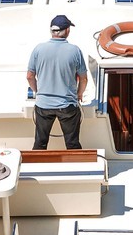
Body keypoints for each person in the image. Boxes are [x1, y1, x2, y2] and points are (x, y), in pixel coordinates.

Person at [27, 15, 88, 150]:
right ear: (67, 30)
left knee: (40, 143)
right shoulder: (75, 50)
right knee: (72, 144)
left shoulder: (38, 49)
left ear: (51, 31)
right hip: (67, 105)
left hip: (43, 105)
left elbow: (30, 76)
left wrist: (38, 92)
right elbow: (83, 79)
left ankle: (37, 163)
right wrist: (79, 94)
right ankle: (76, 164)